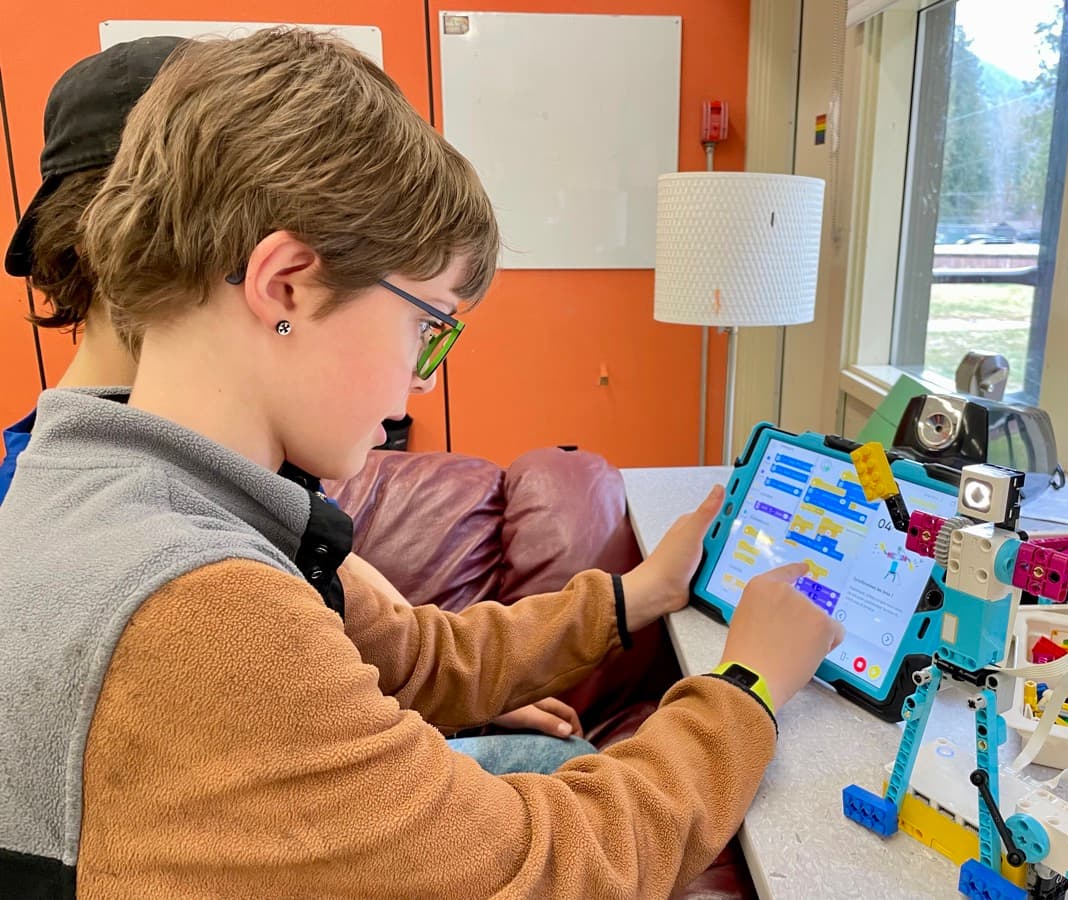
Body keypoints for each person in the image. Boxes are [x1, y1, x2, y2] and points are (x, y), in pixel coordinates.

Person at [0, 29, 842, 897]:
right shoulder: (201, 607)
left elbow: (413, 656)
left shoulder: (113, 481)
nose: (420, 382)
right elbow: (558, 867)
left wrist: (634, 597)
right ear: (285, 284)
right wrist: (747, 686)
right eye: (426, 324)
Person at [0, 36, 591, 764]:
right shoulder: (183, 578)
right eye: (423, 323)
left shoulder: (140, 478)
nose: (420, 381)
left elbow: (398, 646)